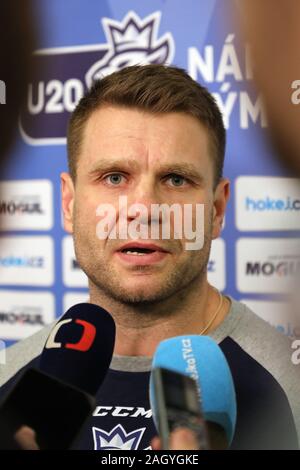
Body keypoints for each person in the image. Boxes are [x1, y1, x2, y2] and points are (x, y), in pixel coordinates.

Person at [0, 65, 299, 450]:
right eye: (113, 177)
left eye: (176, 179)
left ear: (218, 210)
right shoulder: (12, 385)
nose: (143, 209)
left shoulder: (286, 389)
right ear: (69, 203)